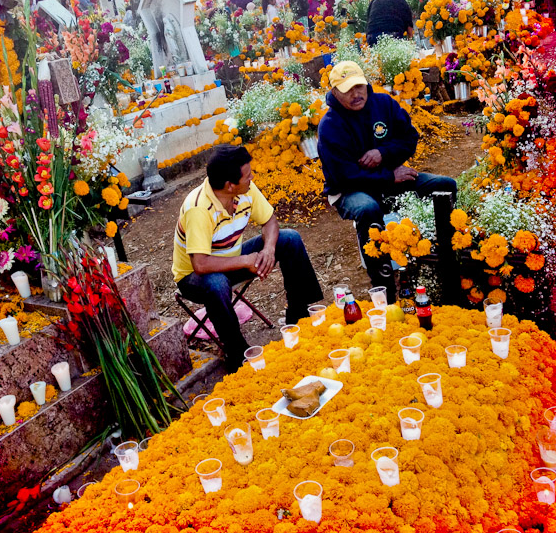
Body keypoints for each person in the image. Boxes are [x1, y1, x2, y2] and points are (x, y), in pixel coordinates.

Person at [172, 145, 323, 372]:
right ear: (229, 185)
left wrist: (269, 250)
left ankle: (299, 316)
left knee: (290, 239)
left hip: (231, 258)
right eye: (247, 175)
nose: (252, 177)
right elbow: (200, 264)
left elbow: (270, 221)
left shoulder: (245, 191)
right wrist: (246, 261)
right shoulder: (199, 209)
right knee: (216, 283)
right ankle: (238, 354)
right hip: (194, 277)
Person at [317, 61, 456, 302]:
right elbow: (345, 175)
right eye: (348, 89)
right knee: (367, 208)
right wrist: (389, 176)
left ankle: (444, 257)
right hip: (350, 190)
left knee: (445, 186)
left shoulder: (384, 104)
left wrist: (383, 154)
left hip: (392, 176)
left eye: (359, 86)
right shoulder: (330, 126)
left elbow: (409, 140)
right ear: (334, 92)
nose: (356, 94)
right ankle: (383, 286)